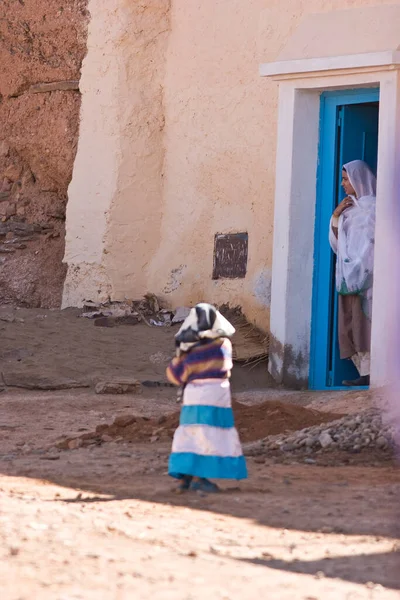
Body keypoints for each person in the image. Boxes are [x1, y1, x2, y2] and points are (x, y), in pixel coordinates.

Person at [166, 303, 248, 493]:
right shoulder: (223, 344)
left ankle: (184, 478)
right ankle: (199, 478)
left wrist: (179, 354)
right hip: (216, 394)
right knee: (210, 434)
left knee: (191, 432)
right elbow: (225, 365)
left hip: (193, 395)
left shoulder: (189, 348)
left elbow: (175, 375)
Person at [329, 159, 376, 386]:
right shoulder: (348, 211)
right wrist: (336, 216)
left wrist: (364, 265)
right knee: (351, 322)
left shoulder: (376, 209)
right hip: (349, 277)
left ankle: (375, 374)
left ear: (358, 179)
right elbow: (338, 244)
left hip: (370, 278)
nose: (342, 184)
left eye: (346, 179)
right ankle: (364, 373)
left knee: (368, 322)